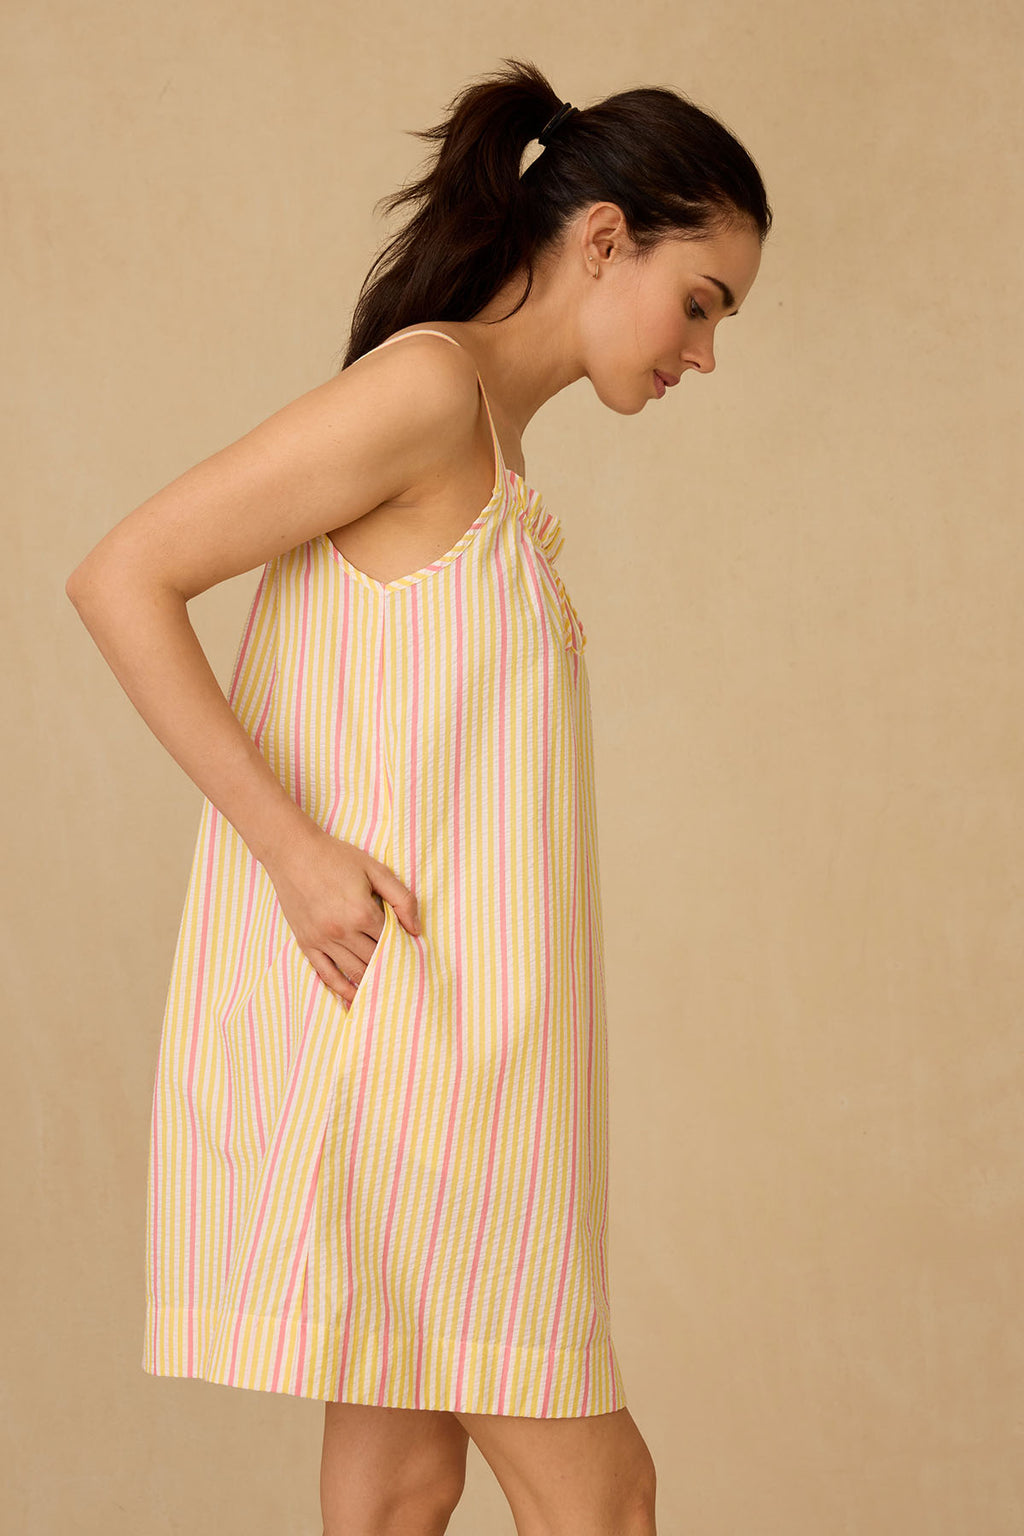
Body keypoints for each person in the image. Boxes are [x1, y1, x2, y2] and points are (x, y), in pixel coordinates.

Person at [66, 55, 769, 1536]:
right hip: (419, 1076)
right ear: (601, 239)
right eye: (700, 299)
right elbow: (122, 575)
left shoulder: (488, 441)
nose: (705, 350)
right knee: (604, 1495)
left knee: (394, 1487)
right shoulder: (429, 391)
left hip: (464, 1064)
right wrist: (291, 853)